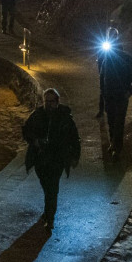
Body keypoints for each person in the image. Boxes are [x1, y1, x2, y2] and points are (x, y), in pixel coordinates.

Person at [22, 88, 81, 229]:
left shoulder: (65, 117)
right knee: (46, 187)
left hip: (57, 158)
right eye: (46, 101)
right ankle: (47, 211)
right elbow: (26, 130)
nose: (48, 104)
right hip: (41, 159)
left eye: (51, 101)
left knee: (52, 189)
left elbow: (74, 138)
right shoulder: (37, 115)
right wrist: (34, 141)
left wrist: (75, 156)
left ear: (57, 101)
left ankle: (50, 217)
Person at [100, 29, 132, 159]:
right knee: (111, 121)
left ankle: (117, 148)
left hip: (120, 96)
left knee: (119, 122)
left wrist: (130, 91)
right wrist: (104, 94)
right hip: (110, 95)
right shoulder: (106, 59)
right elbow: (102, 78)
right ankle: (113, 144)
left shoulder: (126, 59)